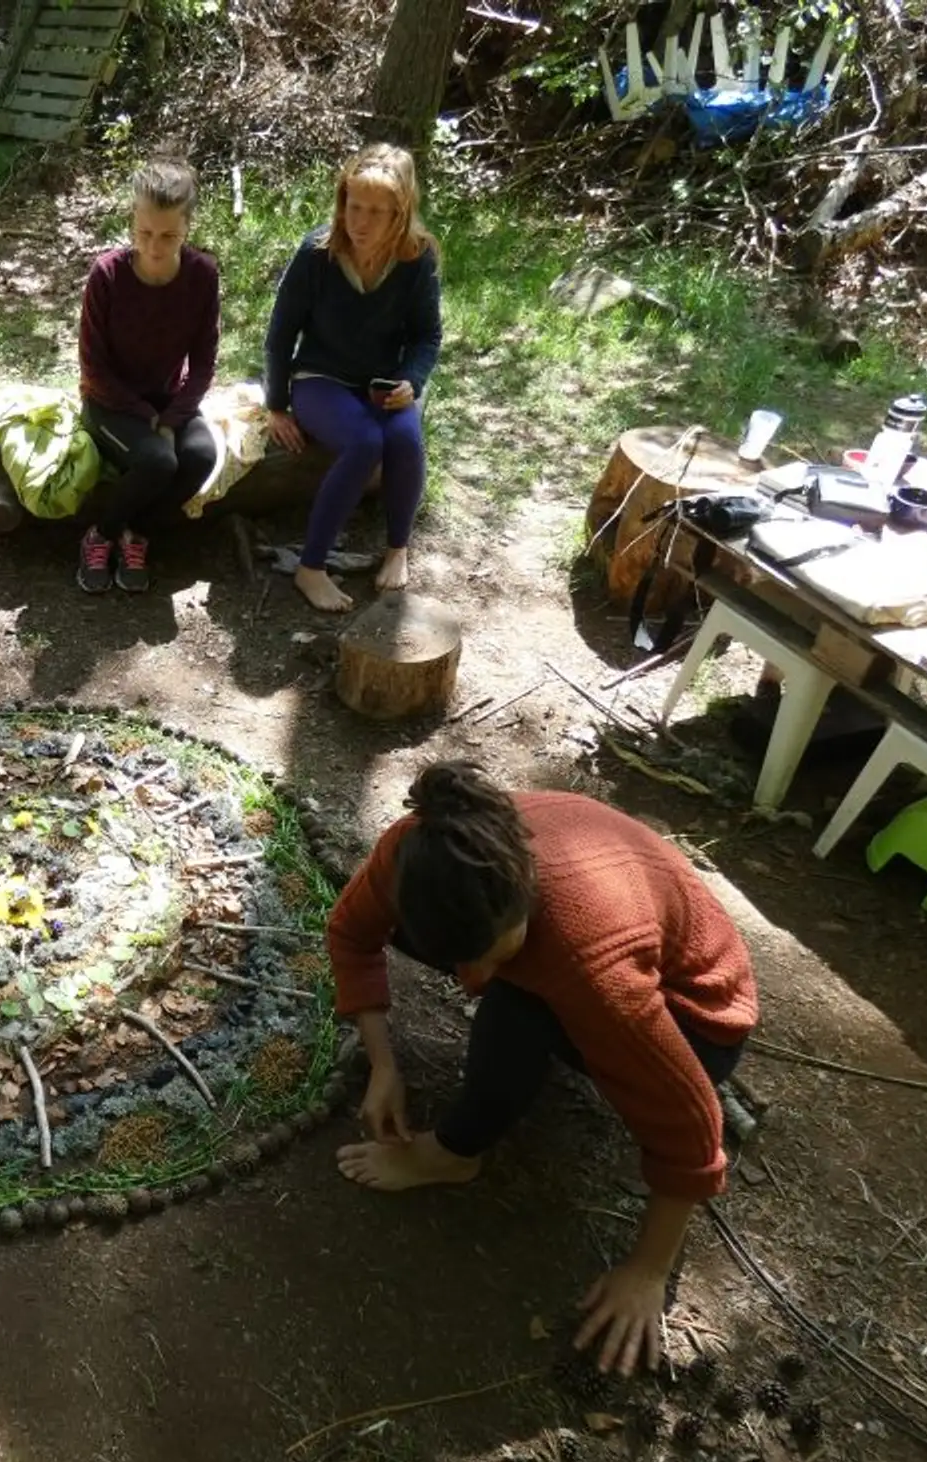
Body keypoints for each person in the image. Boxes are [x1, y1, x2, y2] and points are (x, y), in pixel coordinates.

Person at [325, 763, 758, 1375]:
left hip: (698, 1017)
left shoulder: (591, 962)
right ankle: (523, 997)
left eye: (486, 957)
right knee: (499, 980)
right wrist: (382, 1064)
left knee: (514, 1007)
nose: (466, 985)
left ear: (526, 896)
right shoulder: (418, 847)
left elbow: (689, 1120)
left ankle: (453, 1155)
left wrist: (648, 1270)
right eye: (459, 964)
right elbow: (351, 933)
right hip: (583, 944)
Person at [263, 143, 442, 614]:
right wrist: (276, 404)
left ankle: (398, 547)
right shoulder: (316, 252)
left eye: (375, 212)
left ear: (399, 215)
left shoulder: (416, 258)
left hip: (383, 381)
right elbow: (280, 335)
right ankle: (312, 566)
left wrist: (411, 380)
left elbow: (427, 337)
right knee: (365, 443)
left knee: (404, 439)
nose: (359, 221)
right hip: (320, 378)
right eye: (353, 206)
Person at [75, 157, 220, 594]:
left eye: (169, 236)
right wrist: (144, 416)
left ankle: (136, 532)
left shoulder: (201, 276)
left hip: (164, 399)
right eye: (145, 234)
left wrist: (173, 418)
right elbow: (93, 368)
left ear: (187, 228)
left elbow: (204, 363)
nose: (155, 247)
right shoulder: (108, 275)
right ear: (132, 223)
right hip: (108, 402)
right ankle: (99, 534)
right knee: (158, 460)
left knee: (200, 456)